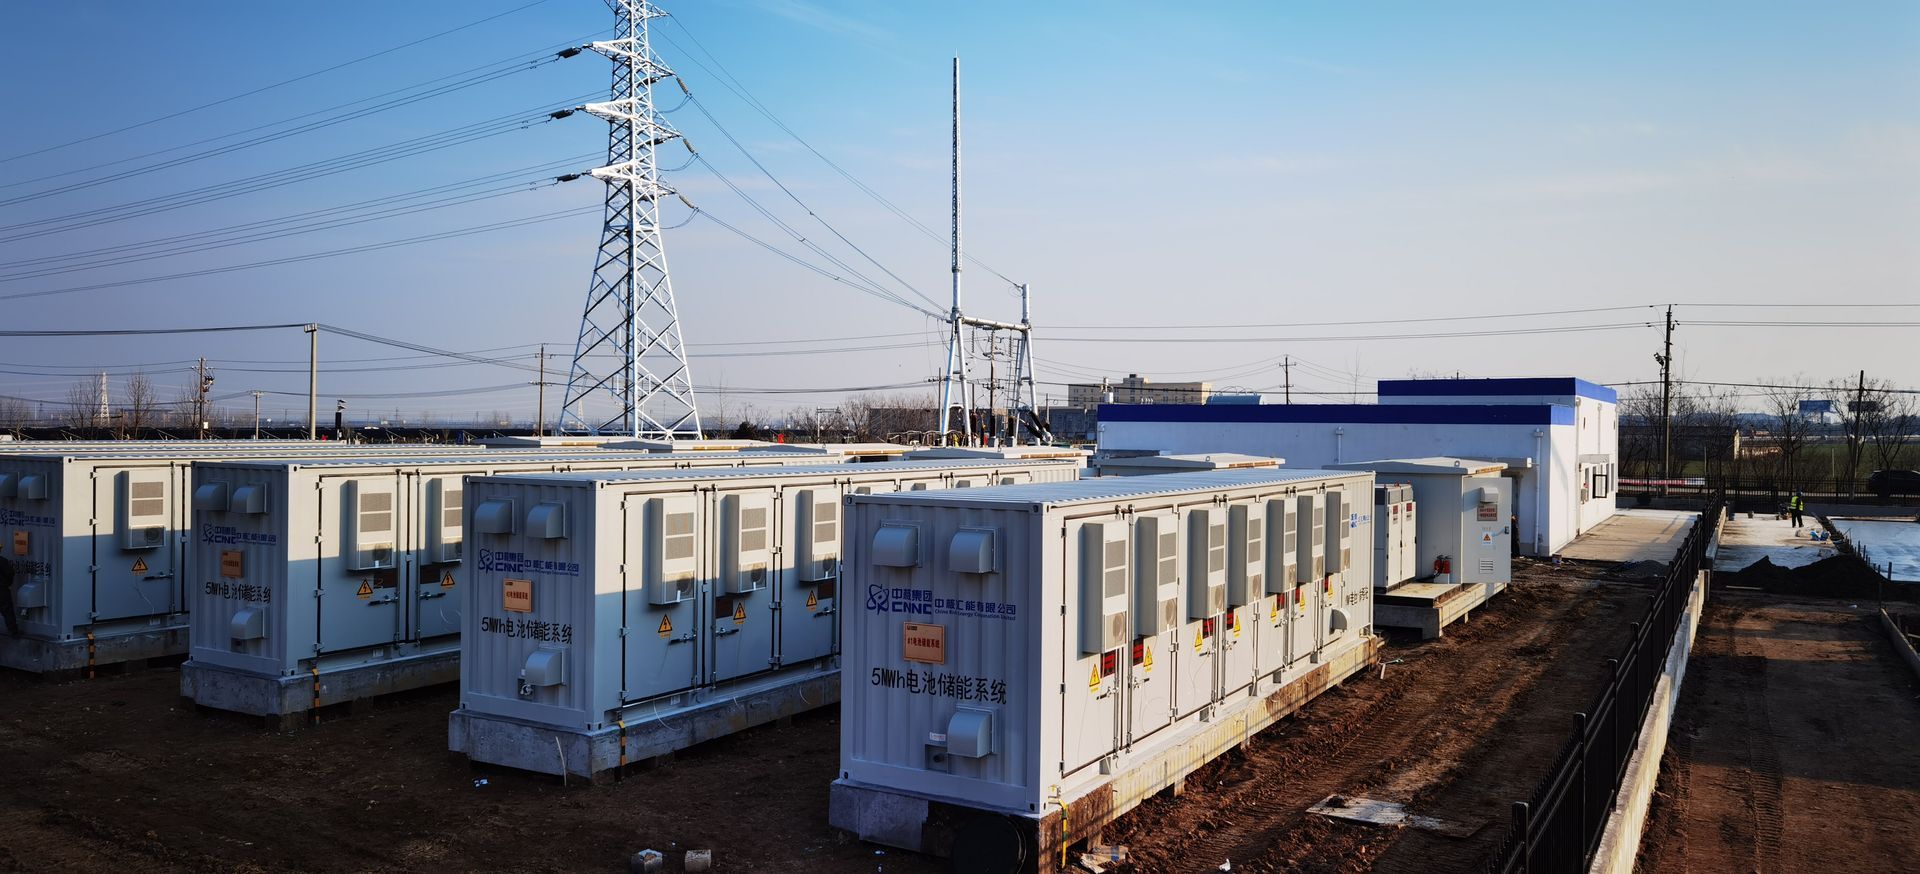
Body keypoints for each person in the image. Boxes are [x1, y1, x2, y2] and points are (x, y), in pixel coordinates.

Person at [0, 553, 16, 637]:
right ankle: (13, 632)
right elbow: (10, 573)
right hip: (2, 590)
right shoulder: (2, 561)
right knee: (7, 610)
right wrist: (8, 583)